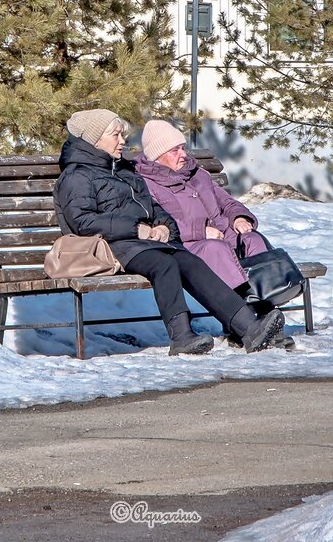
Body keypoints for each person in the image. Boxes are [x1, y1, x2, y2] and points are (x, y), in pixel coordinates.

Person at [53, 108, 286, 356]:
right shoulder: (77, 175)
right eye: (116, 135)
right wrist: (136, 229)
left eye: (122, 135)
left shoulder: (122, 171)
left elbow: (153, 207)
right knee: (164, 265)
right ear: (95, 139)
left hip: (141, 243)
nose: (122, 141)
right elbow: (83, 221)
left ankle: (249, 327)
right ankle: (181, 336)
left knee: (189, 261)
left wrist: (164, 226)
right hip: (109, 246)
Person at [135, 119, 294, 349]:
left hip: (222, 234)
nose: (183, 154)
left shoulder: (197, 174)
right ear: (157, 156)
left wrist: (239, 217)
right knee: (215, 249)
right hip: (186, 245)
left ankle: (265, 314)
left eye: (183, 147)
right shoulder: (148, 184)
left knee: (252, 240)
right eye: (175, 150)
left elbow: (227, 202)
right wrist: (200, 230)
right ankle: (243, 323)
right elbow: (159, 223)